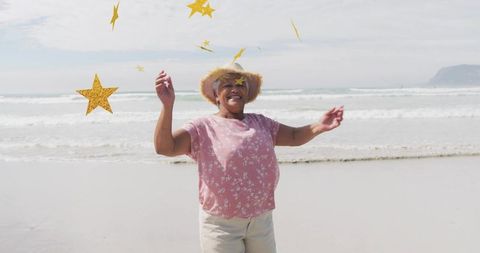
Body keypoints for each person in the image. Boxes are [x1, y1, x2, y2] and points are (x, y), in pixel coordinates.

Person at [154, 63, 344, 253]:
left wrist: (320, 126)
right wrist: (167, 105)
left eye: (240, 84)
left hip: (261, 220)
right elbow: (164, 147)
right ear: (216, 94)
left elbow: (294, 136)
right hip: (221, 224)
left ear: (247, 92)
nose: (235, 89)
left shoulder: (261, 123)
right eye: (227, 85)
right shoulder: (203, 127)